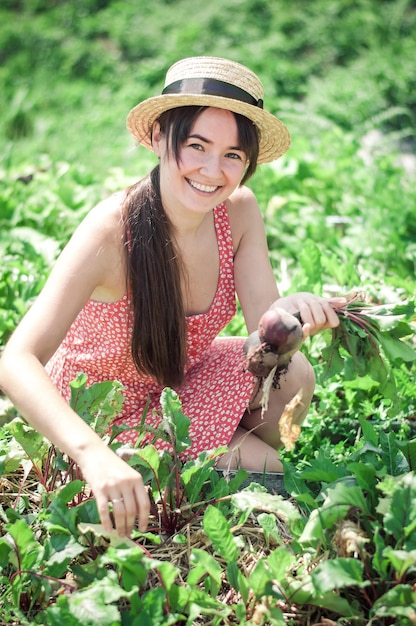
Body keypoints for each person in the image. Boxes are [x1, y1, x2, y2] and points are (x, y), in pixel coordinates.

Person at [0, 56, 343, 537]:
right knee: (269, 471)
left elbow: (262, 340)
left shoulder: (238, 212)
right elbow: (15, 359)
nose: (212, 171)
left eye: (232, 155)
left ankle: (215, 457)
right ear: (160, 137)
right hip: (98, 415)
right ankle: (205, 468)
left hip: (175, 388)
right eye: (197, 146)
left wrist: (293, 316)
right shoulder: (111, 230)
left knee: (296, 374)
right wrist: (91, 454)